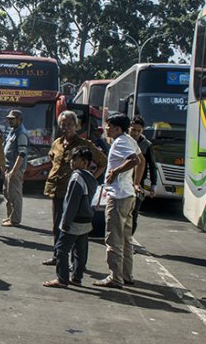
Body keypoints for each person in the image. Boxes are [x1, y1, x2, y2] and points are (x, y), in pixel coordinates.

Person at [43, 110, 107, 265]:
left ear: (76, 126)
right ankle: (57, 255)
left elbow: (102, 162)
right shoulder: (57, 143)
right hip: (57, 190)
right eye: (63, 125)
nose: (66, 128)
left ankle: (76, 262)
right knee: (57, 225)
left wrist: (89, 180)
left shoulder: (84, 145)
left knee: (76, 228)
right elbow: (53, 159)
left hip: (75, 193)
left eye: (70, 124)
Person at [93, 113, 144, 289]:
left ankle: (115, 276)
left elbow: (135, 160)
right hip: (128, 194)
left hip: (119, 196)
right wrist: (135, 182)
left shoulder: (121, 141)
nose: (106, 129)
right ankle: (126, 275)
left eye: (108, 126)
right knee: (126, 238)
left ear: (117, 128)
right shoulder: (129, 140)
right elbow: (140, 160)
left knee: (113, 238)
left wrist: (115, 172)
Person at [43, 146, 98, 288]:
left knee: (61, 250)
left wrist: (65, 222)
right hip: (86, 220)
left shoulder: (77, 177)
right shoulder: (91, 177)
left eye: (75, 159)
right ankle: (77, 278)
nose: (71, 161)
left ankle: (62, 279)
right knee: (80, 251)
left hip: (74, 220)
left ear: (84, 162)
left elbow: (72, 203)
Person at [128, 115, 156, 235]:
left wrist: (153, 185)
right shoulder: (123, 141)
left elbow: (152, 166)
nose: (135, 133)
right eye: (133, 130)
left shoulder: (146, 145)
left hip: (139, 184)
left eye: (139, 131)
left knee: (134, 214)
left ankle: (128, 239)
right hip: (122, 181)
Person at [2, 109, 29, 227]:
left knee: (15, 195)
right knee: (7, 193)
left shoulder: (21, 133)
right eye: (9, 119)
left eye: (12, 119)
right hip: (8, 167)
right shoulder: (12, 131)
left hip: (15, 168)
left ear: (19, 120)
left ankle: (15, 220)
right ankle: (10, 217)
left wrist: (14, 170)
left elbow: (21, 154)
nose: (10, 121)